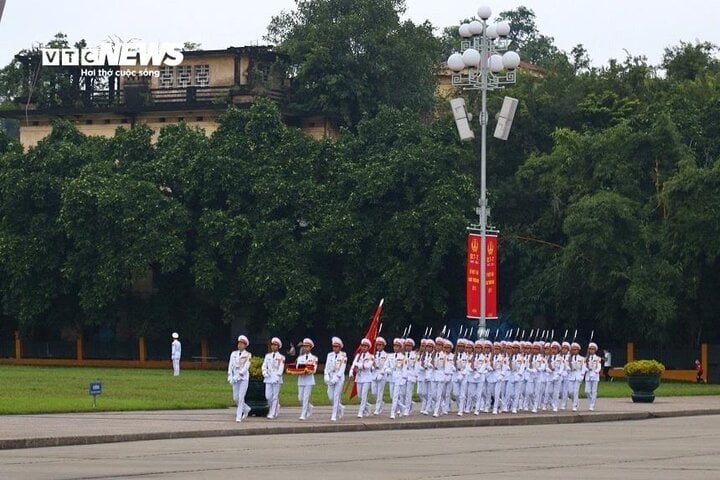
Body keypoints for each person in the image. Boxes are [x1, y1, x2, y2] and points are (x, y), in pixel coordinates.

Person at [228, 335, 252, 422]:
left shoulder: (248, 355)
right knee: (236, 398)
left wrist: (237, 376)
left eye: (242, 344)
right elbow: (230, 366)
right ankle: (246, 409)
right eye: (239, 343)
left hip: (243, 378)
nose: (240, 345)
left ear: (245, 345)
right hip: (235, 378)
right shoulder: (233, 354)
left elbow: (245, 368)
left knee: (241, 397)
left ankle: (238, 416)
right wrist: (230, 376)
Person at [324, 337, 347, 421]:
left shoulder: (343, 356)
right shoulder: (329, 355)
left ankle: (334, 415)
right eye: (333, 346)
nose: (335, 348)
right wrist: (326, 375)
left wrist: (336, 379)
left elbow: (342, 369)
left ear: (340, 347)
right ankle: (340, 407)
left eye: (336, 347)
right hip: (330, 377)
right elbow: (326, 367)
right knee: (330, 396)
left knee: (336, 396)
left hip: (339, 378)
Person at [261, 337, 285, 419]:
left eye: (275, 345)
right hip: (268, 377)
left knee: (275, 396)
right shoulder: (267, 356)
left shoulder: (281, 357)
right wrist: (264, 372)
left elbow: (281, 368)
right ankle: (276, 406)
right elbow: (264, 365)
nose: (273, 347)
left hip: (276, 379)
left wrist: (278, 377)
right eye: (272, 345)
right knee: (268, 396)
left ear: (278, 347)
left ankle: (272, 412)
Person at [296, 338, 318, 420]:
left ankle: (303, 414)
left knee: (305, 398)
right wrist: (298, 371)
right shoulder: (300, 358)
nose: (305, 348)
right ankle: (310, 407)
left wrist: (307, 371)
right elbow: (297, 368)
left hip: (309, 380)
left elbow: (314, 369)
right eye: (304, 346)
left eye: (307, 346)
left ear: (310, 347)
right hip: (301, 379)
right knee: (300, 398)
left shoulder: (314, 358)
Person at [584, 342, 602, 411]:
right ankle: (592, 401)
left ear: (595, 350)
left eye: (593, 349)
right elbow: (584, 367)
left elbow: (599, 367)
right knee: (587, 391)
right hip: (588, 375)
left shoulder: (598, 358)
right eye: (590, 349)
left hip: (595, 376)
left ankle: (591, 405)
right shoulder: (586, 358)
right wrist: (587, 369)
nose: (591, 350)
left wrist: (595, 372)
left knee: (594, 391)